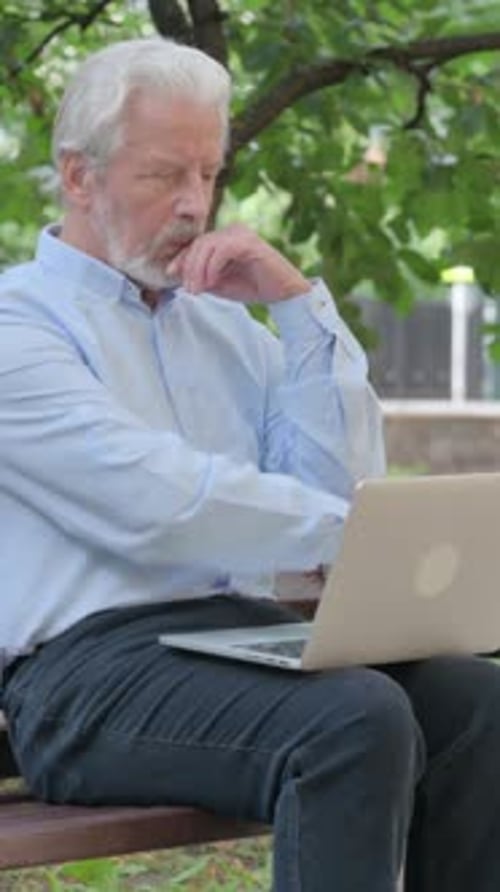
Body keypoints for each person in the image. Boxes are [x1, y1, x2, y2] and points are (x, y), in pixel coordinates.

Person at [0, 37, 499, 892]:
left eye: (209, 173)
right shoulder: (18, 326)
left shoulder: (229, 327)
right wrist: (357, 535)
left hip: (242, 643)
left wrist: (300, 311)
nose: (196, 205)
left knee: (478, 705)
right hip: (83, 675)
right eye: (165, 175)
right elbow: (151, 501)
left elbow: (328, 494)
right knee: (354, 719)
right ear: (80, 176)